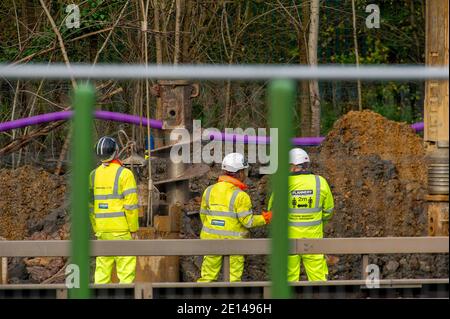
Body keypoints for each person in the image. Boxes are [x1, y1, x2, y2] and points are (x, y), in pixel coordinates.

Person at [197, 152, 272, 282]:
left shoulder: (209, 190)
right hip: (234, 243)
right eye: (244, 171)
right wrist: (265, 218)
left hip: (211, 240)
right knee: (233, 279)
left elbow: (203, 215)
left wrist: (214, 229)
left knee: (207, 277)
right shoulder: (240, 196)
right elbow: (248, 222)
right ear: (240, 173)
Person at [268, 148, 334, 281]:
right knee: (318, 279)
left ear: (292, 166)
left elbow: (272, 210)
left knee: (289, 279)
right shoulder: (320, 182)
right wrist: (318, 221)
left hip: (289, 241)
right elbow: (328, 210)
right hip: (314, 240)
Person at [89, 136, 139, 284]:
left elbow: (90, 206)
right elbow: (130, 206)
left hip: (102, 230)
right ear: (116, 151)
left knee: (102, 269)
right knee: (125, 270)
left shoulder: (93, 175)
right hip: (121, 230)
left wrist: (97, 226)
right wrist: (134, 229)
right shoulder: (125, 174)